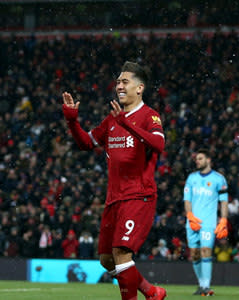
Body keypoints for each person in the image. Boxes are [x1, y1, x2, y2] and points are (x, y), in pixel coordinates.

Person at [62, 61, 166, 300]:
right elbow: (86, 143)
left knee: (121, 253)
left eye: (125, 81)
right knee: (107, 260)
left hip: (139, 195)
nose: (119, 85)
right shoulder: (112, 120)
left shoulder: (150, 116)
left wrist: (127, 124)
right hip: (114, 199)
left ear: (139, 88)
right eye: (118, 81)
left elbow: (159, 144)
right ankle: (152, 292)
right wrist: (71, 121)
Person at [184, 149, 228, 296]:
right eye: (196, 159)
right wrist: (190, 216)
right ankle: (201, 284)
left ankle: (206, 287)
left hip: (208, 223)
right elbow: (187, 199)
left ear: (208, 160)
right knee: (195, 254)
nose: (197, 161)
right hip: (192, 222)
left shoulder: (219, 179)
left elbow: (224, 202)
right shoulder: (191, 178)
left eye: (200, 158)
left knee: (205, 251)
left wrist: (223, 220)